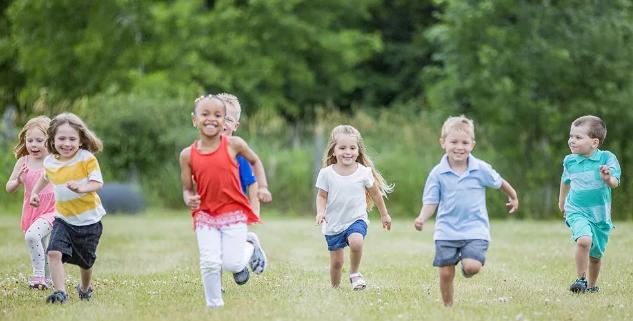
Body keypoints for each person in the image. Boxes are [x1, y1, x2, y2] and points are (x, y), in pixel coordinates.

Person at [413, 115, 518, 307]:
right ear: (443, 142)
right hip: (446, 229)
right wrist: (422, 218)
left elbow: (499, 181)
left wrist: (513, 196)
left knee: (472, 266)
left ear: (472, 144)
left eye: (464, 142)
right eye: (453, 142)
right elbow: (431, 201)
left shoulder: (480, 169)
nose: (459, 147)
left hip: (475, 229)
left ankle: (466, 266)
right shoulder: (437, 173)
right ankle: (448, 307)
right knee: (445, 272)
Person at [179, 94, 271, 308]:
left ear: (229, 122)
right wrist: (189, 198)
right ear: (195, 120)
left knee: (232, 261)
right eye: (206, 114)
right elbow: (187, 187)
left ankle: (248, 247)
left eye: (220, 116)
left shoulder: (235, 147)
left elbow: (253, 176)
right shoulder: (187, 155)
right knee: (210, 260)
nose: (213, 120)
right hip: (206, 215)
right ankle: (214, 305)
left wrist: (261, 193)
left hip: (233, 212)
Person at [29, 112, 106, 304]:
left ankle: (85, 288)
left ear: (80, 140)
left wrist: (82, 188)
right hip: (63, 219)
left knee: (86, 262)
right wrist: (35, 193)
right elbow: (45, 177)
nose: (67, 143)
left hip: (89, 221)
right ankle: (60, 292)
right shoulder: (50, 161)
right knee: (53, 252)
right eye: (61, 138)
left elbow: (97, 183)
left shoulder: (86, 158)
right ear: (53, 140)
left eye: (72, 139)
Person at [315, 125, 392, 290]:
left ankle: (354, 273)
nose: (347, 151)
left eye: (352, 147)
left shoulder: (363, 172)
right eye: (342, 148)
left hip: (356, 219)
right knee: (336, 263)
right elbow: (321, 196)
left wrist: (384, 214)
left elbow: (376, 194)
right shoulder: (326, 173)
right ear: (333, 151)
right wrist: (321, 212)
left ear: (358, 151)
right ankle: (335, 288)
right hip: (333, 223)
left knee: (356, 242)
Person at [558, 115, 620, 294]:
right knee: (584, 241)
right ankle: (581, 279)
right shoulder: (570, 160)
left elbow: (615, 182)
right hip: (576, 210)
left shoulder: (606, 159)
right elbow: (565, 181)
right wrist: (562, 202)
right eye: (571, 136)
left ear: (594, 142)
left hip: (600, 215)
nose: (571, 140)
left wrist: (607, 178)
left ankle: (592, 286)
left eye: (578, 137)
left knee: (595, 256)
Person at [217, 92, 272, 286]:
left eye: (228, 119)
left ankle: (248, 246)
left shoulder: (238, 153)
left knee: (230, 254)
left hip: (236, 211)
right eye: (218, 116)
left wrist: (255, 209)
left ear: (236, 126)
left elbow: (251, 182)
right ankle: (217, 287)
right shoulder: (204, 150)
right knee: (214, 249)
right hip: (212, 210)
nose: (223, 122)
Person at [5, 116, 55, 290]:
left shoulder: (53, 161)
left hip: (51, 210)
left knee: (32, 236)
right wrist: (18, 180)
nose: (33, 144)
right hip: (31, 210)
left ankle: (38, 276)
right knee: (43, 245)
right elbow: (8, 187)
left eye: (39, 140)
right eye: (29, 140)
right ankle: (48, 280)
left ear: (49, 141)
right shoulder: (23, 162)